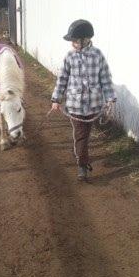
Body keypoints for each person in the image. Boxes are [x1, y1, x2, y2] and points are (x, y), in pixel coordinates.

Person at [50, 19, 116, 181]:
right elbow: (62, 79)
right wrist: (56, 99)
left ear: (85, 39)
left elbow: (105, 79)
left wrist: (110, 99)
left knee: (84, 136)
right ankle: (82, 166)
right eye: (72, 40)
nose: (72, 43)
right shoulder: (70, 57)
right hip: (75, 105)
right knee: (81, 136)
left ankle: (80, 154)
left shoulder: (98, 55)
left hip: (93, 105)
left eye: (74, 40)